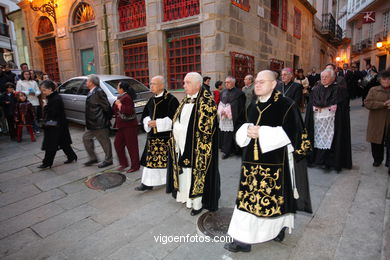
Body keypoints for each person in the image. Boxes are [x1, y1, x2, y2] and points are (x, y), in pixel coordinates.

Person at [224, 70, 311, 253]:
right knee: (247, 202)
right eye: (256, 81)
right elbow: (241, 126)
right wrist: (247, 129)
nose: (257, 84)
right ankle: (243, 240)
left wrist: (262, 132)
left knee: (275, 201)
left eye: (262, 82)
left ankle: (277, 229)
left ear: (273, 84)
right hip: (250, 165)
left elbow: (295, 134)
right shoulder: (252, 106)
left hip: (276, 165)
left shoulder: (287, 105)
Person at [167, 72, 220, 216]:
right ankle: (185, 197)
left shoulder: (207, 102)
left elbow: (207, 130)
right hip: (182, 144)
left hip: (198, 150)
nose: (184, 85)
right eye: (184, 82)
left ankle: (198, 203)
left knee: (195, 175)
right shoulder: (185, 100)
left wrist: (182, 131)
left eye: (187, 83)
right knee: (185, 174)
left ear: (198, 84)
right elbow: (178, 120)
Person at [136, 76, 179, 191]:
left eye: (154, 84)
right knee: (151, 162)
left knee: (166, 161)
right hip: (152, 137)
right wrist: (148, 122)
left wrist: (158, 123)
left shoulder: (171, 99)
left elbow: (175, 118)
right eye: (150, 84)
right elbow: (144, 115)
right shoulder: (151, 100)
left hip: (166, 138)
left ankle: (169, 180)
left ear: (162, 85)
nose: (151, 86)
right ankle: (147, 183)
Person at [305, 69, 352, 172]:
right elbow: (311, 104)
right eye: (322, 77)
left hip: (332, 122)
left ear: (333, 78)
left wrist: (329, 107)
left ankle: (329, 162)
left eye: (326, 77)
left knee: (331, 140)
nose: (324, 79)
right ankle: (317, 160)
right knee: (317, 139)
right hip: (317, 121)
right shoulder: (316, 89)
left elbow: (341, 105)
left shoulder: (339, 90)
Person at [38, 80, 77, 169]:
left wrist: (45, 107)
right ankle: (72, 156)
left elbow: (54, 113)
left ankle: (47, 163)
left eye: (44, 90)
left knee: (51, 144)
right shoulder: (52, 97)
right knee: (63, 143)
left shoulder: (55, 99)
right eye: (42, 90)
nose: (43, 92)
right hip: (57, 124)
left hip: (55, 125)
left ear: (50, 89)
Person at [83, 74, 113, 168]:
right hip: (91, 123)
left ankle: (109, 160)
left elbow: (107, 107)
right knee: (86, 138)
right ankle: (93, 158)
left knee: (104, 142)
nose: (86, 82)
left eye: (87, 81)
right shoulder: (91, 91)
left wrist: (106, 120)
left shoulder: (99, 92)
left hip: (99, 123)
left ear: (91, 82)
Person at [112, 80, 140, 173]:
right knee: (117, 144)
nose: (117, 88)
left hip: (129, 126)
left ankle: (135, 166)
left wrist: (119, 105)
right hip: (122, 126)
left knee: (132, 147)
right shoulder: (121, 96)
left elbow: (130, 110)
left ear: (121, 89)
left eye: (118, 86)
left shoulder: (127, 97)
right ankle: (124, 163)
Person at [364, 70, 390, 167]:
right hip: (376, 121)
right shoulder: (373, 90)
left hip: (388, 121)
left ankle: (388, 161)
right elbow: (367, 103)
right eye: (384, 79)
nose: (386, 81)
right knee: (376, 142)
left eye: (388, 79)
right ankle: (377, 159)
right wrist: (383, 104)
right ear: (380, 80)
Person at [218, 76, 246, 159]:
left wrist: (230, 113)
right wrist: (221, 111)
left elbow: (240, 107)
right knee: (226, 135)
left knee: (234, 134)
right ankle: (226, 151)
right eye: (225, 82)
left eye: (228, 82)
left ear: (233, 83)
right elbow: (220, 103)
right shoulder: (223, 92)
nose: (226, 84)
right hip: (224, 118)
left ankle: (237, 151)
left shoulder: (239, 93)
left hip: (235, 118)